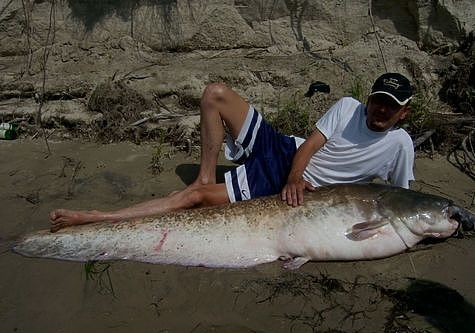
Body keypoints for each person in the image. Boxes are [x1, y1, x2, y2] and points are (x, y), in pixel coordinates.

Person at [50, 72, 414, 232]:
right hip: (287, 154)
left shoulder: (400, 145)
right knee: (214, 93)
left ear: (404, 111)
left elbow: (401, 198)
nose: (381, 110)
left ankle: (98, 217)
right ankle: (207, 175)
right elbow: (310, 146)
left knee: (193, 198)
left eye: (391, 106)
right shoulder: (349, 107)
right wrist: (294, 178)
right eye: (378, 101)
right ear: (369, 99)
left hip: (277, 179)